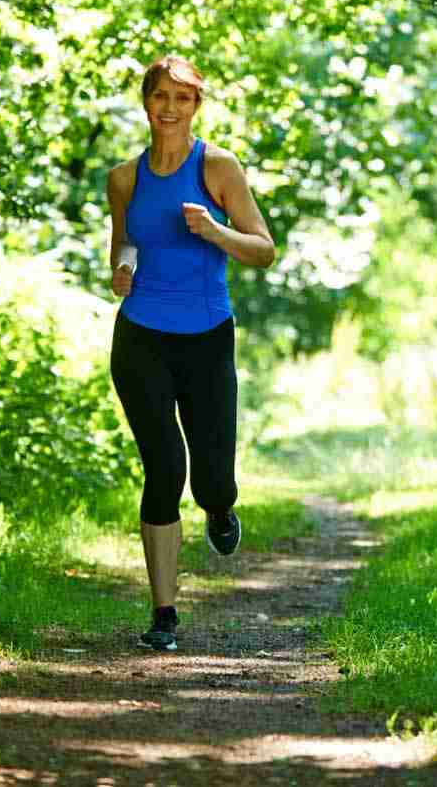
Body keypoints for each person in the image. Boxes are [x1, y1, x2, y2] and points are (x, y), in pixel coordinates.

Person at [106, 55, 276, 652]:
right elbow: (125, 243)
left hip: (207, 336)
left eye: (182, 99)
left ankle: (221, 508)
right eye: (160, 97)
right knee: (163, 467)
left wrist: (215, 231)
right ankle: (164, 615)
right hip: (141, 335)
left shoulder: (218, 167)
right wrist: (122, 271)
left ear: (195, 107)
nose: (169, 109)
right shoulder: (125, 178)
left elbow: (263, 250)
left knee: (212, 475)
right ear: (146, 102)